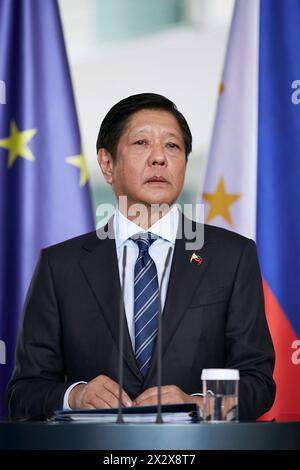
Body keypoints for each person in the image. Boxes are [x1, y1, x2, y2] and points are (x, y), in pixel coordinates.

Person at [6, 93, 275, 420]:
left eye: (172, 146)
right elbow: (24, 393)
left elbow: (258, 381)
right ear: (107, 164)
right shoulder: (60, 265)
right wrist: (75, 395)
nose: (159, 158)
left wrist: (200, 402)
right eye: (142, 143)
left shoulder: (232, 256)